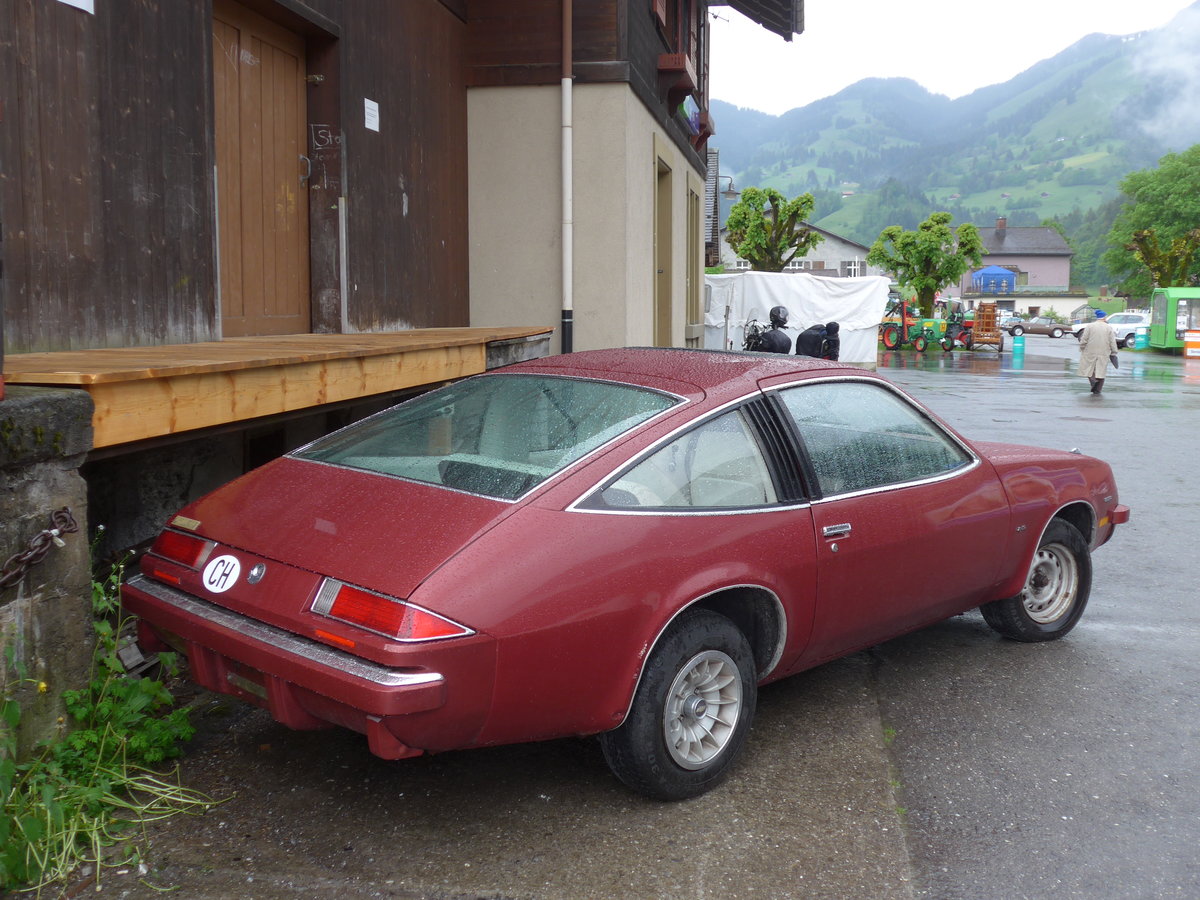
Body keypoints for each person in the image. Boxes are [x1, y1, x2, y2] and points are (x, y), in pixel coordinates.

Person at [1078, 309, 1118, 394]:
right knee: (1101, 370)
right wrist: (1114, 352)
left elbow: (1084, 339)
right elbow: (1112, 341)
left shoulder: (1090, 326)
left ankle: (1093, 381)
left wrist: (1082, 347)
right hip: (1104, 352)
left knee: (1089, 369)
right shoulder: (1108, 328)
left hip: (1090, 351)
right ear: (1104, 317)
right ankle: (1097, 390)